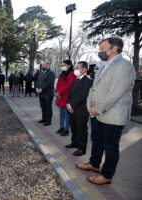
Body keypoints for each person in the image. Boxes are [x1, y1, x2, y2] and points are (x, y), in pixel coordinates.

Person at [75, 37, 136, 185]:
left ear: (114, 49)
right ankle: (94, 164)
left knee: (110, 146)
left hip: (113, 114)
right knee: (97, 141)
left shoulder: (124, 65)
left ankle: (106, 175)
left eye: (103, 49)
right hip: (96, 112)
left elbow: (116, 92)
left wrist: (98, 109)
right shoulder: (103, 65)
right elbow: (93, 87)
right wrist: (90, 104)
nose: (100, 51)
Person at [65, 61, 93, 156]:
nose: (75, 70)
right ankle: (74, 142)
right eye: (75, 68)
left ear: (85, 69)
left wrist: (72, 105)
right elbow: (70, 93)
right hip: (72, 109)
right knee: (73, 127)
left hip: (81, 110)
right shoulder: (76, 80)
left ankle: (82, 148)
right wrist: (68, 104)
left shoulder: (88, 81)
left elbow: (83, 96)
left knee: (81, 130)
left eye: (77, 68)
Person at [55, 60, 76, 136]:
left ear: (69, 65)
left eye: (64, 65)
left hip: (66, 97)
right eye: (62, 65)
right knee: (61, 114)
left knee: (67, 115)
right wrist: (57, 92)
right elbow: (58, 84)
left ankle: (67, 129)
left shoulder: (72, 74)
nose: (63, 66)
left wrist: (59, 92)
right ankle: (61, 127)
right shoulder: (63, 74)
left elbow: (68, 85)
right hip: (60, 97)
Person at [36, 62, 56, 126]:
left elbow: (49, 83)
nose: (42, 66)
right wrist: (36, 88)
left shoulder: (51, 73)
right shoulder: (42, 73)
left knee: (48, 107)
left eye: (43, 65)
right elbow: (38, 81)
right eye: (42, 65)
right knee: (43, 107)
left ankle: (48, 121)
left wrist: (42, 89)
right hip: (41, 93)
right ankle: (44, 118)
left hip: (48, 93)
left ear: (47, 65)